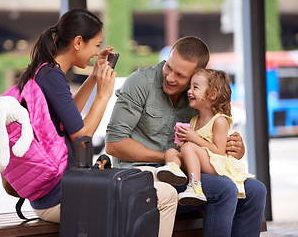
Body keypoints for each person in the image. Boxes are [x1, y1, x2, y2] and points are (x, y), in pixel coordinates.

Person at [105, 36, 267, 237]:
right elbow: (114, 144)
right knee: (224, 189)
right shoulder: (139, 83)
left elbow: (214, 140)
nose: (170, 77)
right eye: (168, 67)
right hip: (141, 174)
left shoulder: (199, 96)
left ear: (195, 77)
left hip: (189, 174)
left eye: (180, 75)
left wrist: (234, 148)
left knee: (256, 190)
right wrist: (168, 157)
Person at [15, 9, 116, 223]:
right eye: (97, 45)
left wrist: (94, 76)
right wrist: (104, 95)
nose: (96, 52)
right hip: (58, 197)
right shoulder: (51, 75)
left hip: (52, 194)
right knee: (141, 202)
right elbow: (82, 137)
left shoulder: (46, 71)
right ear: (78, 42)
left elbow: (70, 118)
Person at [157, 68, 254, 207]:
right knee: (171, 152)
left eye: (195, 87)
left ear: (213, 94)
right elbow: (193, 148)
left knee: (189, 147)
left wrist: (193, 139)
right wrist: (183, 144)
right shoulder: (194, 121)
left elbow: (219, 152)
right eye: (190, 87)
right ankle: (173, 168)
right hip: (201, 162)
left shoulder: (219, 121)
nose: (189, 91)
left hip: (218, 165)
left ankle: (195, 187)